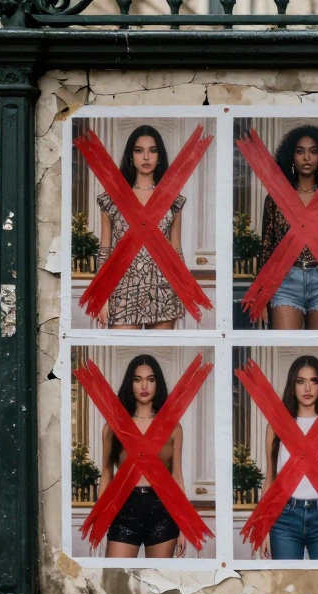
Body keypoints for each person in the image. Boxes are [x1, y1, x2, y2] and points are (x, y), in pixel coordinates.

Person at [258, 125, 318, 330]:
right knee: (285, 343)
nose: (307, 157)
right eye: (300, 151)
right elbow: (266, 248)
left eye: (313, 151)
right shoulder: (276, 199)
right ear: (291, 157)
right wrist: (261, 297)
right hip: (284, 283)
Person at [96, 125, 187, 330]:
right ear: (131, 155)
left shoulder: (172, 199)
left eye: (152, 150)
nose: (146, 157)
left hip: (163, 288)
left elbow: (176, 251)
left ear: (159, 156)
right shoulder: (112, 198)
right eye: (139, 150)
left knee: (159, 344)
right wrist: (100, 297)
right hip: (123, 288)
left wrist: (184, 292)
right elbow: (104, 252)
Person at [99, 354, 187, 559]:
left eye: (151, 379)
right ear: (130, 384)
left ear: (158, 384)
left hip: (163, 509)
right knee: (116, 577)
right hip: (124, 507)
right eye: (137, 379)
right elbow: (106, 475)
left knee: (158, 577)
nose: (144, 386)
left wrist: (185, 525)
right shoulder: (113, 428)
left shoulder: (173, 428)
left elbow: (177, 477)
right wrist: (101, 518)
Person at [263, 355, 318, 560]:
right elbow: (270, 479)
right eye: (300, 381)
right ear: (292, 387)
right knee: (287, 582)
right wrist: (263, 529)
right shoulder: (276, 428)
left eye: (314, 381)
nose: (307, 388)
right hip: (284, 518)